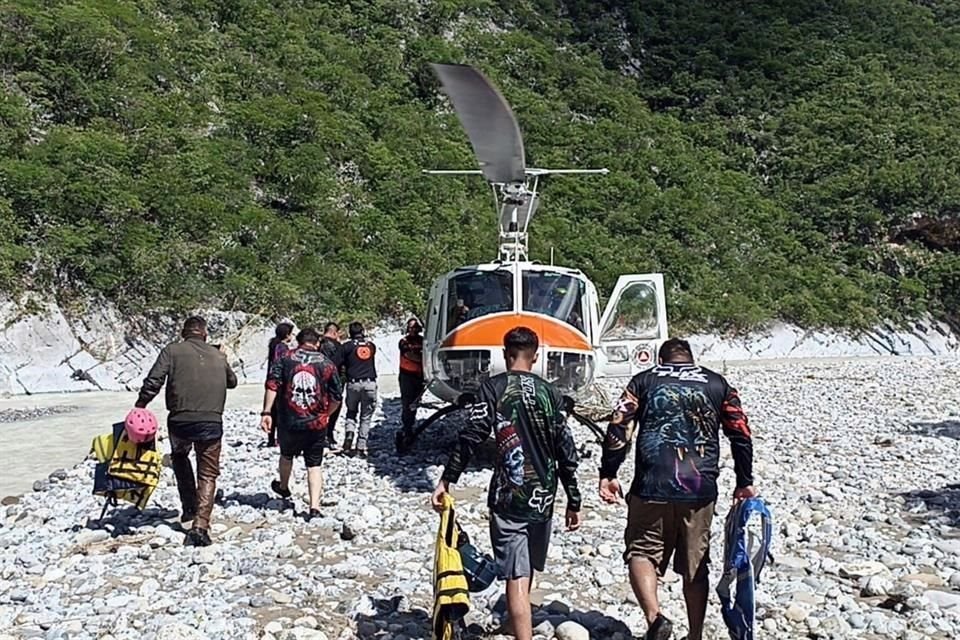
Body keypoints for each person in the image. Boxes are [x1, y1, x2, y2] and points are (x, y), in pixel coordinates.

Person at [598, 338, 756, 640]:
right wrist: (744, 481)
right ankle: (695, 635)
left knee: (642, 552)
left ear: (661, 360)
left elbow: (619, 426)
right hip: (699, 488)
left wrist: (609, 472)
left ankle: (655, 618)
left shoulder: (644, 380)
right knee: (696, 565)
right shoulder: (716, 382)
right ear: (691, 359)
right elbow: (741, 433)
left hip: (650, 485)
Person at [432, 326, 582, 640]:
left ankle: (521, 635)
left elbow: (472, 435)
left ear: (505, 352)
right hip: (544, 496)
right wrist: (573, 498)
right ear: (536, 355)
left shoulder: (493, 388)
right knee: (525, 568)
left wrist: (447, 479)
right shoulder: (550, 393)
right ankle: (517, 623)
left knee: (516, 573)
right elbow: (565, 449)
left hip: (508, 494)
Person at [135, 316, 238, 547]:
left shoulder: (172, 351)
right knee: (208, 473)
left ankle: (190, 507)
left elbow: (154, 380)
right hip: (211, 423)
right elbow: (232, 382)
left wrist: (140, 405)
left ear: (184, 333)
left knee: (180, 457)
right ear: (205, 334)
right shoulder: (218, 356)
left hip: (180, 421)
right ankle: (201, 526)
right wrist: (223, 358)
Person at [260, 327, 342, 518]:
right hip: (316, 423)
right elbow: (337, 396)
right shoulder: (327, 364)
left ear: (298, 341)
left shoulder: (285, 358)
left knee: (286, 455)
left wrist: (266, 412)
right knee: (314, 465)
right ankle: (314, 507)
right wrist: (326, 414)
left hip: (289, 420)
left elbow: (272, 384)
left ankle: (284, 486)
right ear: (318, 343)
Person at [341, 321, 377, 457]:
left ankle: (349, 434)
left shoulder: (347, 347)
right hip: (370, 384)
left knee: (351, 412)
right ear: (363, 331)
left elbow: (342, 363)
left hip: (353, 384)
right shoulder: (371, 346)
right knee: (366, 416)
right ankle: (361, 447)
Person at [266, 321, 295, 447]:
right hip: (280, 382)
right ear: (287, 335)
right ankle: (279, 437)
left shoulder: (273, 344)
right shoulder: (282, 347)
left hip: (270, 380)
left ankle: (271, 438)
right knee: (281, 410)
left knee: (272, 409)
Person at [398, 317, 426, 441]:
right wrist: (423, 360)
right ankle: (407, 427)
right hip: (406, 376)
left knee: (415, 402)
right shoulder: (403, 341)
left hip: (419, 376)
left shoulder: (423, 341)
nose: (412, 330)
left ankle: (411, 423)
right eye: (410, 327)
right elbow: (408, 354)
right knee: (407, 402)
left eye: (415, 327)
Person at [319, 322, 345, 451]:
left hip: (318, 381)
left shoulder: (316, 344)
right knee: (335, 407)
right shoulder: (337, 346)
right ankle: (329, 434)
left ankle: (319, 433)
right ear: (335, 333)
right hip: (335, 381)